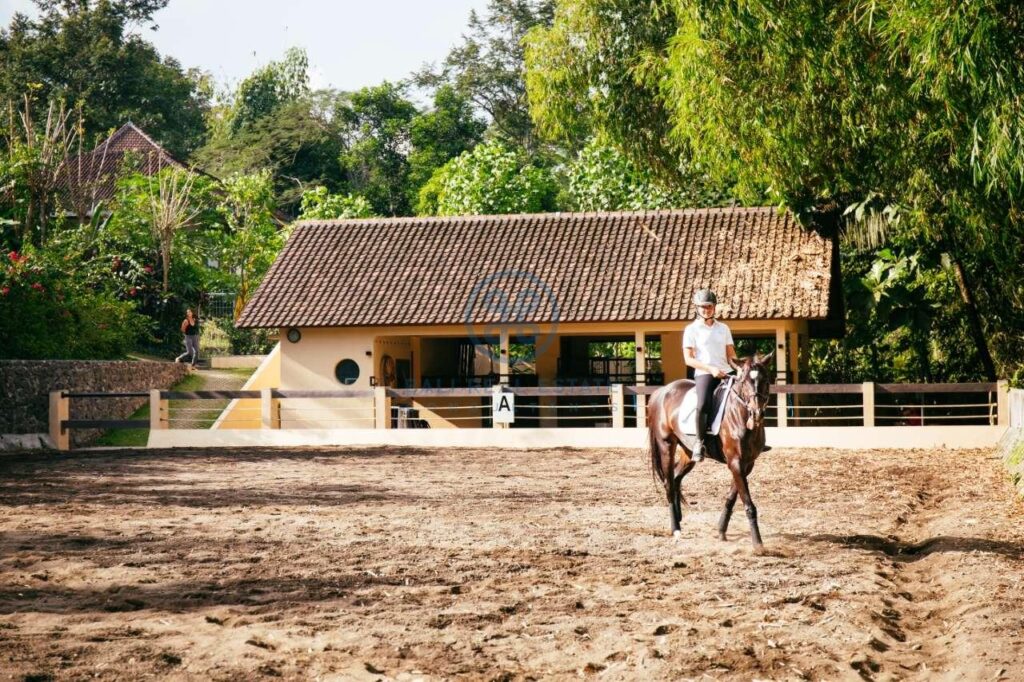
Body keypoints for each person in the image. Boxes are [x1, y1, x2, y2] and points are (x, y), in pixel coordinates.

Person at [682, 289, 736, 462]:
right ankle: (699, 442)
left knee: (746, 396)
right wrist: (710, 369)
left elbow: (731, 355)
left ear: (714, 307)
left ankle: (753, 439)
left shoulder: (724, 328)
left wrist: (740, 368)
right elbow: (688, 359)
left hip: (726, 372)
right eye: (703, 307)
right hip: (705, 373)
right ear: (697, 308)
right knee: (704, 402)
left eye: (709, 306)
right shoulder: (691, 330)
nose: (707, 309)